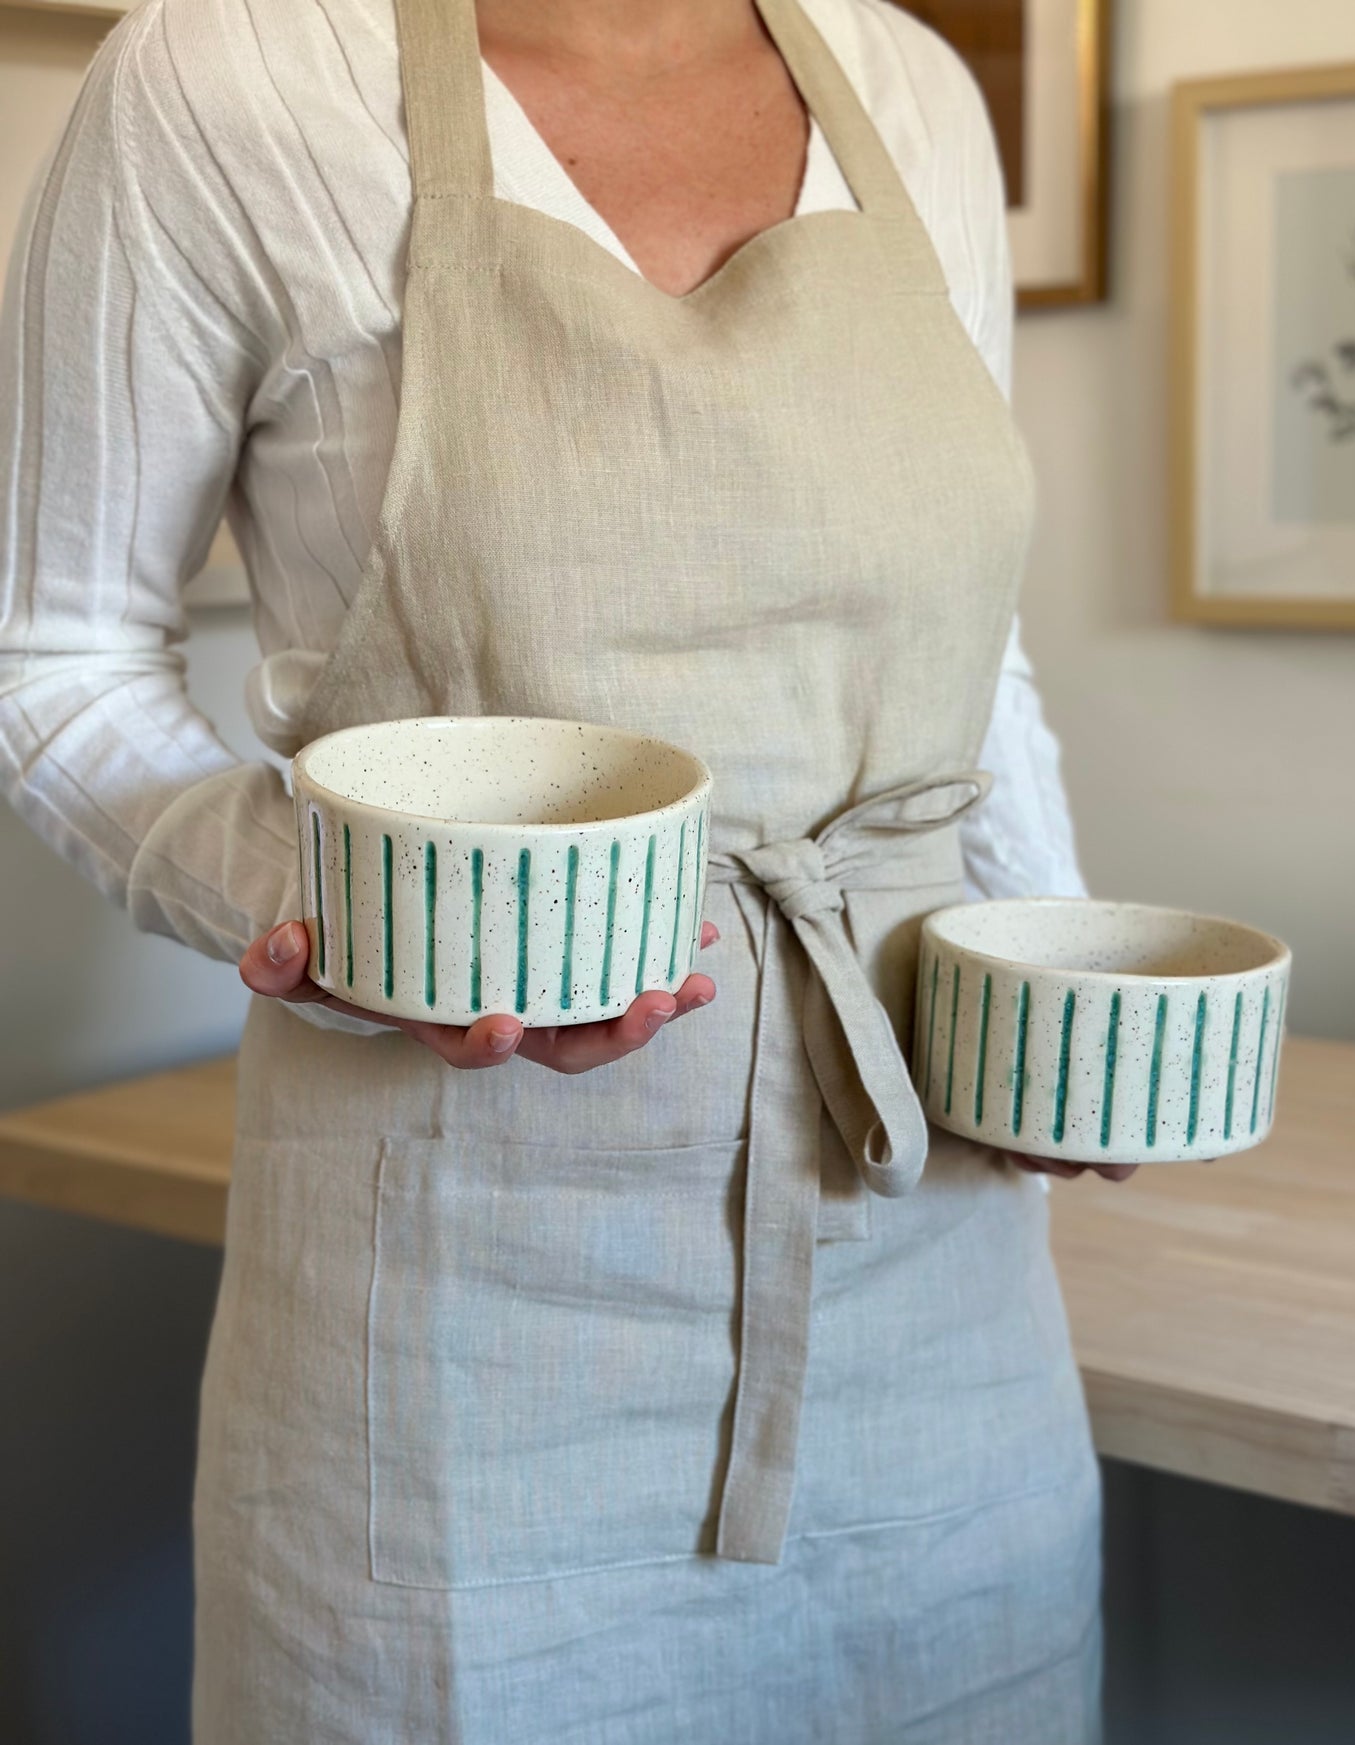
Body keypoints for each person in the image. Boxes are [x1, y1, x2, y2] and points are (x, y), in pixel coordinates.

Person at [0, 0, 1131, 1737]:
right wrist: (358, 919)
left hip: (937, 1278)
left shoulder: (910, 85)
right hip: (454, 1335)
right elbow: (49, 657)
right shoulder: (234, 68)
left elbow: (985, 669)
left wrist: (1055, 1007)